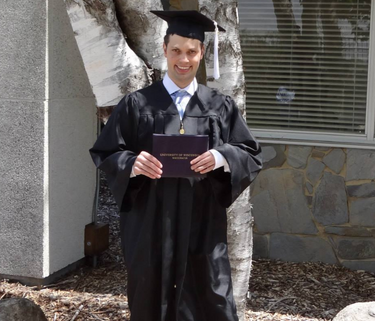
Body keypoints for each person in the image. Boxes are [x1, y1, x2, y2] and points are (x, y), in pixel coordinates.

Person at [90, 10, 262, 321]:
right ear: (165, 50)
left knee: (210, 293)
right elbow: (106, 151)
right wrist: (132, 162)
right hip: (150, 223)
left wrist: (221, 157)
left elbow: (249, 153)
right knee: (150, 296)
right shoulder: (138, 104)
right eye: (176, 51)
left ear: (202, 53)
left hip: (203, 224)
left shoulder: (219, 107)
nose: (184, 60)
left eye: (191, 52)